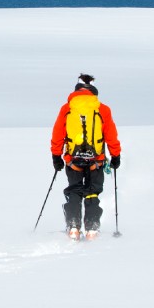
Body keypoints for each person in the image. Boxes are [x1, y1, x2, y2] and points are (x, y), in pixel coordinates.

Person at [50, 73, 121, 240]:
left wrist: (56, 156)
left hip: (72, 160)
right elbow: (111, 135)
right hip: (96, 160)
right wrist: (116, 155)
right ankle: (92, 229)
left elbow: (58, 134)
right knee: (92, 192)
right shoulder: (102, 109)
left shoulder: (67, 109)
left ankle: (73, 227)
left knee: (74, 190)